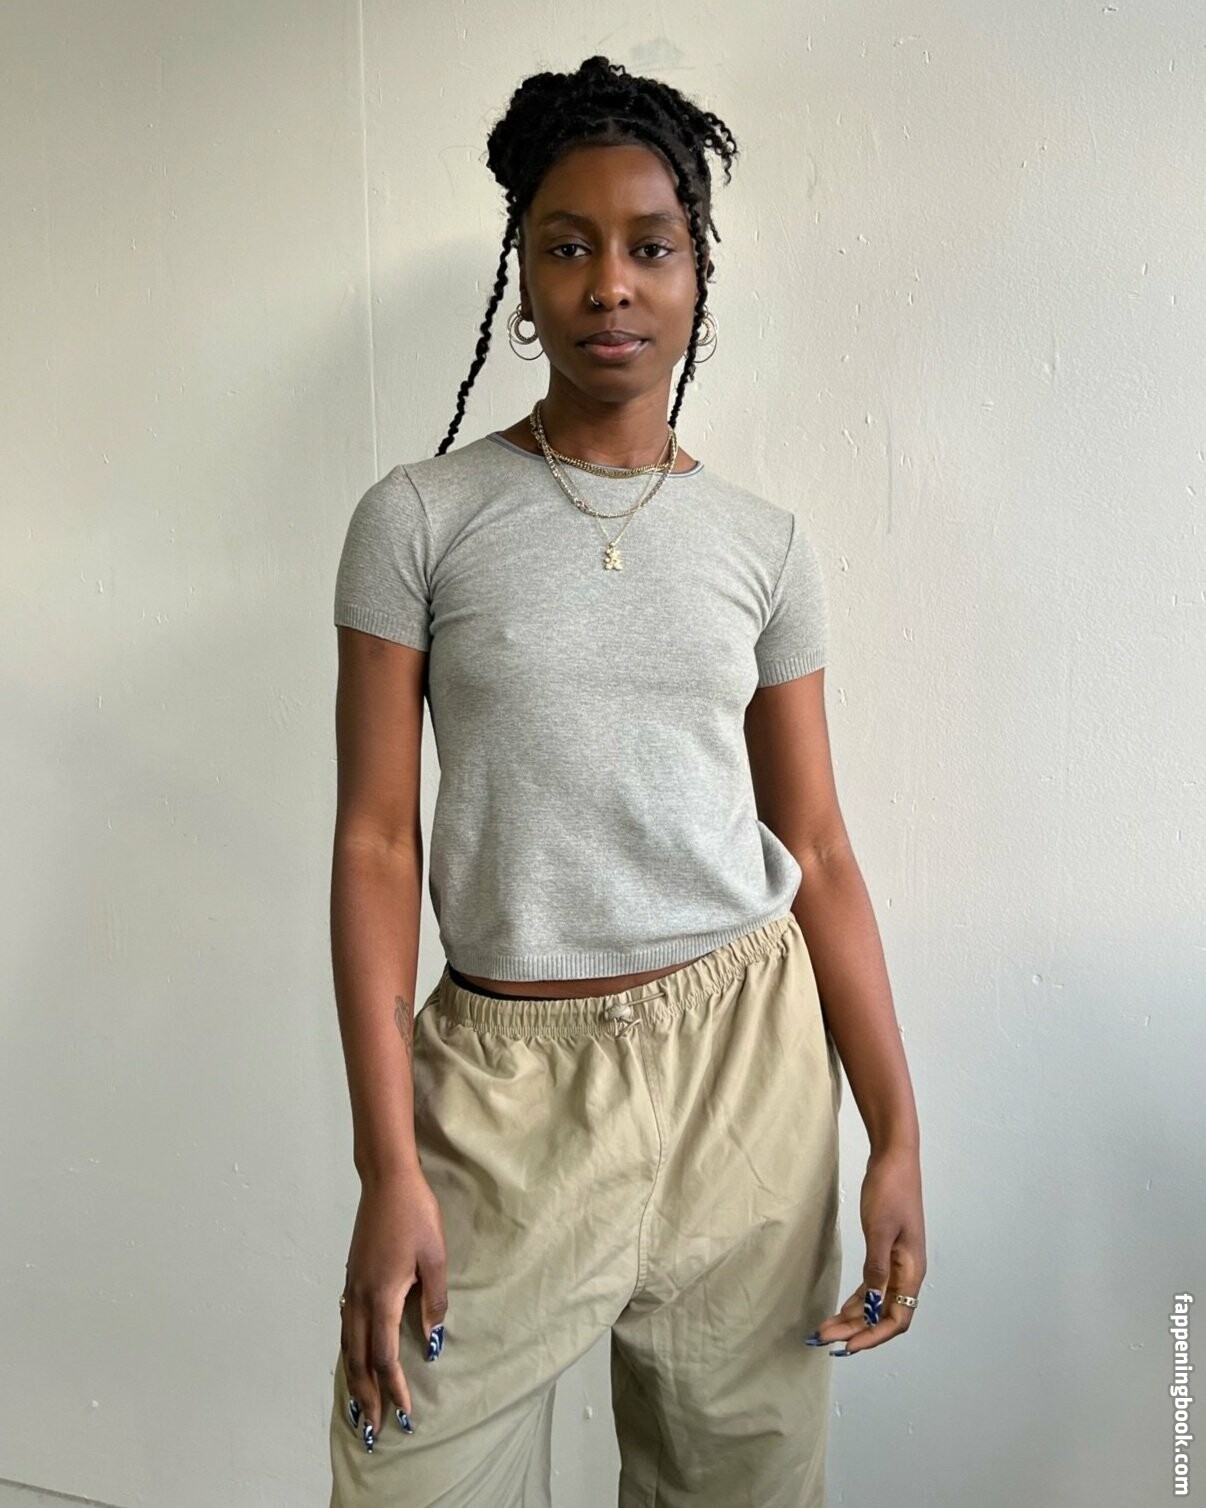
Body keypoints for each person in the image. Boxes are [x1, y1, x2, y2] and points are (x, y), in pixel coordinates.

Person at [327, 54, 926, 1508]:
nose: (610, 284)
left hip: (748, 1072)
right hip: (504, 1090)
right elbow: (375, 842)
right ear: (522, 281)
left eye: (650, 247)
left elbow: (818, 846)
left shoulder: (765, 546)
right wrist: (388, 1165)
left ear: (697, 274)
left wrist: (896, 1131)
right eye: (567, 247)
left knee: (739, 1484)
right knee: (406, 1471)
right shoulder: (418, 520)